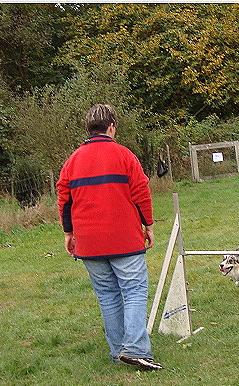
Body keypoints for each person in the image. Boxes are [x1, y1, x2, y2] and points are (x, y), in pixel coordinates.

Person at [56, 104, 163, 371]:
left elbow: (64, 200)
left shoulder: (72, 160)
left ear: (88, 129)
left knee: (107, 296)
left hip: (89, 242)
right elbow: (141, 193)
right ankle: (136, 349)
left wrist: (69, 233)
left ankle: (118, 352)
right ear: (112, 126)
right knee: (135, 291)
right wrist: (148, 225)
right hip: (124, 238)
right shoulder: (124, 155)